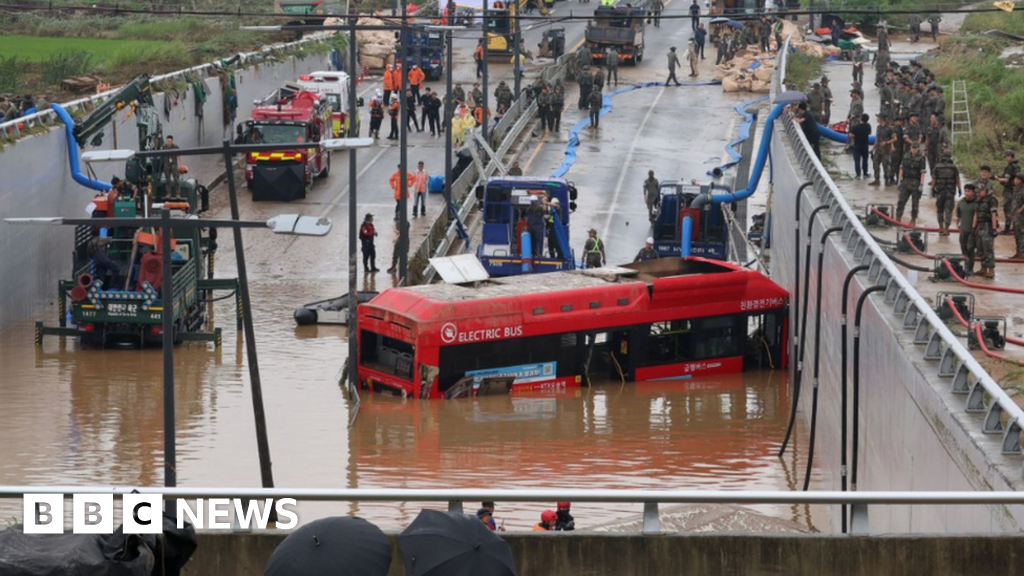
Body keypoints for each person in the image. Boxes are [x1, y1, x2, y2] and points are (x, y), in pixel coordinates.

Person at [930, 151, 961, 236]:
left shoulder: (937, 166)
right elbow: (957, 178)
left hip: (940, 190)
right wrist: (959, 189)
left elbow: (934, 179)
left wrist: (932, 189)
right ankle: (946, 229)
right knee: (948, 210)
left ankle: (940, 227)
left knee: (940, 210)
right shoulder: (954, 167)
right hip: (950, 191)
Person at [897, 143, 926, 226]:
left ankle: (913, 219)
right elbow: (901, 168)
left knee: (915, 203)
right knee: (901, 201)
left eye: (915, 148)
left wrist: (921, 184)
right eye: (912, 148)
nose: (913, 150)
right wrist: (900, 180)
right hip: (906, 181)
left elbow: (922, 172)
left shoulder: (921, 158)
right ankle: (898, 218)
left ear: (918, 149)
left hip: (916, 182)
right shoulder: (906, 156)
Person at [975, 183, 999, 278]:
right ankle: (983, 268)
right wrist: (975, 227)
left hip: (987, 225)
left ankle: (991, 270)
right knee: (980, 248)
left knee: (988, 248)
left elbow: (994, 215)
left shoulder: (991, 200)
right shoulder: (979, 201)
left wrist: (994, 229)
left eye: (980, 191)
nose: (978, 192)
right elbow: (976, 215)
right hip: (980, 226)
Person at [956, 184, 979, 274]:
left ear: (973, 192)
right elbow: (958, 214)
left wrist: (974, 228)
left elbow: (976, 216)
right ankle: (966, 266)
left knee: (970, 249)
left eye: (969, 191)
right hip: (963, 229)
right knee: (963, 248)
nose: (966, 193)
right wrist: (957, 224)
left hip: (972, 230)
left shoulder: (977, 203)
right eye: (965, 191)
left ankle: (970, 269)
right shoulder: (961, 202)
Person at [997, 150, 1019, 233]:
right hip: (1016, 190)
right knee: (1014, 208)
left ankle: (1007, 229)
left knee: (1007, 209)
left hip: (1009, 190)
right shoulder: (1017, 166)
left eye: (1006, 156)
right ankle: (1014, 228)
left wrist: (997, 179)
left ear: (1010, 156)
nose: (1005, 158)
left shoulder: (1010, 167)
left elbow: (1006, 179)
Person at [870, 114, 894, 186]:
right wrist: (873, 148)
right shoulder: (878, 127)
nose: (877, 119)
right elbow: (877, 139)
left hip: (886, 151)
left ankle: (887, 180)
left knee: (886, 166)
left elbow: (894, 138)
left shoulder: (889, 128)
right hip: (878, 150)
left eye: (878, 118)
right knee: (875, 165)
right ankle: (877, 180)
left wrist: (887, 142)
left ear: (882, 119)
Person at [848, 113, 871, 179]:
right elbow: (869, 133)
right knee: (865, 160)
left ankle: (858, 175)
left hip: (857, 145)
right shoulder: (868, 126)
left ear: (861, 118)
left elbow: (850, 135)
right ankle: (865, 174)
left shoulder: (855, 127)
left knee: (857, 161)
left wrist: (853, 135)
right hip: (865, 145)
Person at [1011, 173, 1024, 258]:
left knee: (1020, 233)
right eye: (1015, 179)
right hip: (1015, 214)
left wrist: (1021, 209)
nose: (1016, 181)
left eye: (1018, 179)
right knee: (1016, 233)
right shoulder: (1016, 189)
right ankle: (1018, 251)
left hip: (1021, 215)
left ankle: (1021, 252)